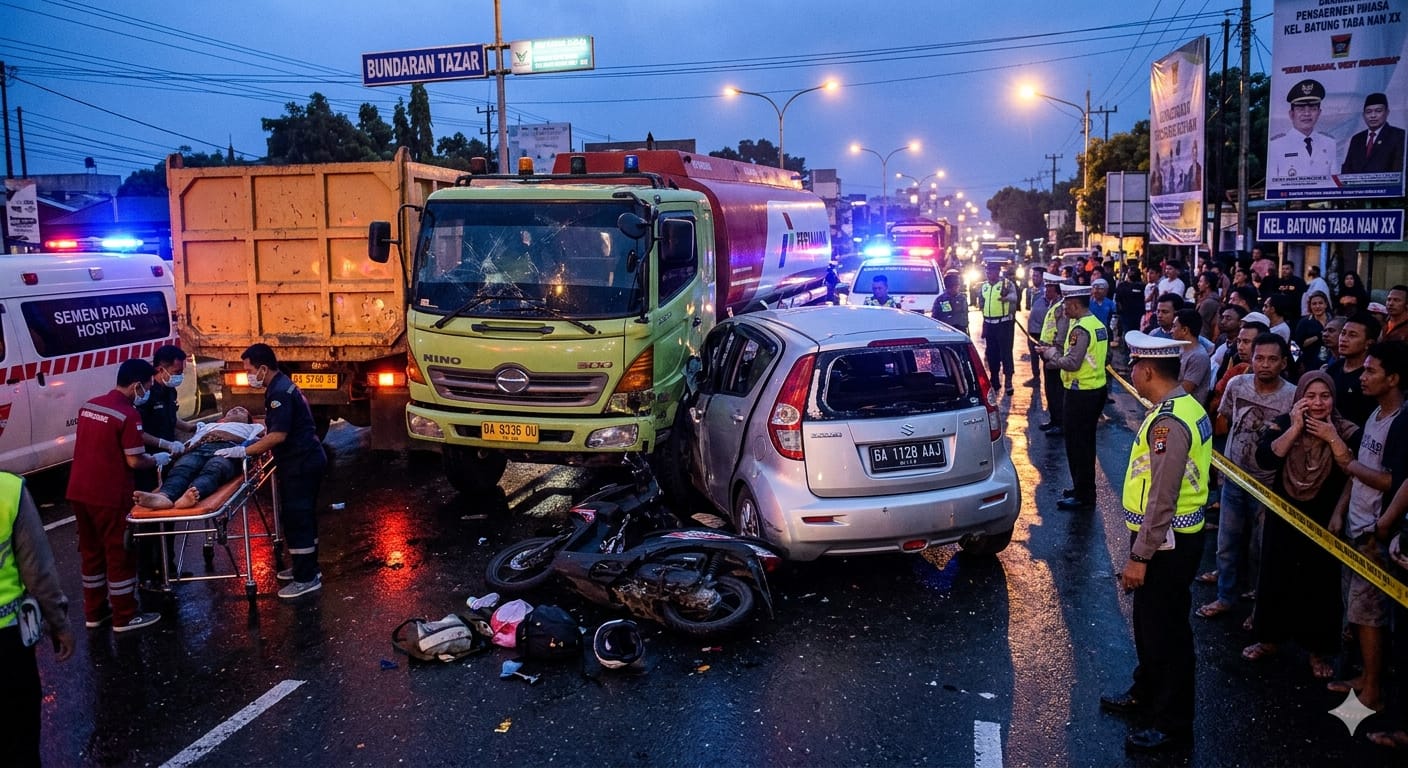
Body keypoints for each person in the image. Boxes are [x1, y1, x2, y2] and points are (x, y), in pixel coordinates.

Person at [1100, 331, 1211, 753]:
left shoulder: (1169, 423)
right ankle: (1146, 691)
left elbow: (1163, 497)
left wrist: (1139, 557)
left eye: (1133, 366)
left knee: (1167, 634)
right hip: (1167, 537)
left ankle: (1172, 725)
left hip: (1167, 542)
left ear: (1147, 370)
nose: (1130, 372)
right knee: (1149, 625)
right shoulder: (1183, 406)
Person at [1244, 371, 1359, 679]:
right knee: (1275, 575)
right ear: (1299, 398)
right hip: (1283, 513)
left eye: (1325, 396)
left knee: (1320, 584)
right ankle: (1269, 639)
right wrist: (1295, 428)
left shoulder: (1346, 430)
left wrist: (1331, 437)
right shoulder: (1283, 423)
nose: (1318, 403)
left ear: (1334, 399)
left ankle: (1317, 651)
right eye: (1310, 396)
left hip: (1324, 518)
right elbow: (1266, 458)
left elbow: (1353, 473)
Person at [1324, 341, 1408, 712]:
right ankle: (1365, 676)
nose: (1363, 376)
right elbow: (1360, 469)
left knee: (1370, 612)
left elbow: (1392, 481)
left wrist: (1347, 462)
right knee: (1357, 610)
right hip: (1355, 524)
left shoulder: (1400, 424)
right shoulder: (1376, 413)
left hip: (1374, 532)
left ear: (1393, 379)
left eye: (1372, 371)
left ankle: (1372, 689)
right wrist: (1340, 509)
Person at [66, 358, 167, 632]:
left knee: (91, 553)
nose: (147, 393)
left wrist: (158, 444)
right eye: (147, 387)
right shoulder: (128, 414)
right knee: (119, 553)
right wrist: (156, 459)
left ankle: (95, 612)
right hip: (109, 494)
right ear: (137, 386)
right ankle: (125, 616)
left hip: (79, 491)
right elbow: (134, 460)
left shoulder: (90, 406)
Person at [1198, 334, 1294, 621]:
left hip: (1269, 486)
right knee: (1227, 543)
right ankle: (1225, 597)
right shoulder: (1237, 384)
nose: (1264, 364)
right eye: (1259, 358)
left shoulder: (1293, 395)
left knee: (1261, 549)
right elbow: (1227, 417)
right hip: (1234, 478)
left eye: (1272, 359)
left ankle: (1259, 609)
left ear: (1283, 363)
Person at [234, 344, 328, 600]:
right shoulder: (281, 385)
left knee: (298, 518)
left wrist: (245, 451)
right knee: (303, 517)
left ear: (263, 368)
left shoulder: (279, 393)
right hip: (304, 460)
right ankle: (307, 568)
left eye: (249, 370)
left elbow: (278, 435)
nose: (248, 375)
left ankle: (305, 579)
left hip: (300, 463)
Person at [2, 474, 75, 767]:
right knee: (19, 742)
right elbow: (38, 572)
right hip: (7, 647)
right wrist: (59, 623)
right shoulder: (8, 490)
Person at [1037, 282, 1108, 509]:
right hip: (1094, 390)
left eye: (1066, 305)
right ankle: (1081, 488)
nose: (1064, 309)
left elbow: (1073, 362)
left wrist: (1051, 356)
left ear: (1075, 305)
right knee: (1085, 443)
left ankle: (1083, 495)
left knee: (1078, 445)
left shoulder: (1080, 329)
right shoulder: (1096, 324)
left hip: (1081, 393)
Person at [132, 407, 265, 510]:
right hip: (199, 448)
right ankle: (164, 496)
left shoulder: (253, 427)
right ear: (224, 417)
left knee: (215, 468)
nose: (236, 410)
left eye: (242, 410)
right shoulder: (209, 426)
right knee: (183, 467)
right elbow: (193, 439)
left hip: (228, 450)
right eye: (232, 410)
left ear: (247, 419)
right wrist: (181, 449)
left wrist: (242, 449)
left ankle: (194, 492)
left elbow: (258, 440)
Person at [1269, 78, 1338, 180]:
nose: (1307, 114)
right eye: (1301, 109)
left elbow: (1334, 182)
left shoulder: (1329, 143)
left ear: (1319, 113)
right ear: (1291, 114)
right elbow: (1272, 184)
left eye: (1313, 109)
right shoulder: (1275, 146)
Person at [1325, 312, 1381, 427]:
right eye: (1343, 333)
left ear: (1368, 343)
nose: (1344, 339)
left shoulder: (1371, 377)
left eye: (1352, 335)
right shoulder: (1333, 369)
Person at [978, 260, 1020, 395]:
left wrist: (1006, 298)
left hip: (1004, 324)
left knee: (1006, 353)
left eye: (992, 271)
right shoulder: (984, 286)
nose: (989, 274)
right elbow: (981, 302)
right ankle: (994, 379)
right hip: (989, 324)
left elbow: (1015, 297)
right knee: (992, 353)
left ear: (997, 272)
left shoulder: (1006, 284)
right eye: (987, 271)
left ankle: (1008, 381)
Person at [1341, 92, 1405, 175]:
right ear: (1363, 115)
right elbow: (1347, 170)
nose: (1373, 115)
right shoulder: (1357, 139)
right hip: (1358, 183)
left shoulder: (1399, 136)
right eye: (1368, 112)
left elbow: (1399, 169)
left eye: (1378, 111)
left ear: (1387, 112)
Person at [1038, 275, 1071, 435]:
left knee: (1057, 391)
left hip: (1054, 354)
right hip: (1047, 352)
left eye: (1049, 289)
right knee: (1050, 390)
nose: (1046, 291)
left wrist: (1055, 354)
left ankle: (1060, 423)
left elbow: (1062, 334)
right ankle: (1054, 419)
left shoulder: (1061, 309)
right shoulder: (1054, 305)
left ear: (1057, 291)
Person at [1171, 309, 1212, 405]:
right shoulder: (1182, 348)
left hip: (1188, 407)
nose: (1171, 331)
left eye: (1174, 326)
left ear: (1185, 330)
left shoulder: (1199, 356)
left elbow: (1184, 390)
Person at [1023, 267, 1050, 388]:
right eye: (1033, 275)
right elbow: (1029, 308)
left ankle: (1049, 380)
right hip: (1032, 329)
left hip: (1043, 330)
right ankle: (1036, 377)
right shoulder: (1030, 291)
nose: (1034, 278)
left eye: (1036, 276)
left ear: (1043, 277)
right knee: (1033, 356)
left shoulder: (1046, 292)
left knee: (1046, 356)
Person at [1295, 290, 1334, 371]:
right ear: (1310, 306)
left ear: (1326, 304)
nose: (1317, 306)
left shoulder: (1334, 321)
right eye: (1314, 304)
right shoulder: (1304, 322)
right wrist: (1317, 337)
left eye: (1320, 303)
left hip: (1332, 362)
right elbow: (1298, 345)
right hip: (1310, 364)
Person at [931, 270, 969, 335]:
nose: (957, 288)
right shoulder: (941, 300)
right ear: (949, 287)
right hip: (946, 331)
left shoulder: (962, 298)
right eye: (955, 286)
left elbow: (965, 315)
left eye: (957, 285)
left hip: (962, 330)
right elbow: (935, 318)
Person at [1194, 272, 1221, 343]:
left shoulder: (1208, 302)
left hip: (1203, 337)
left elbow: (1197, 320)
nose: (1198, 284)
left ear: (1207, 284)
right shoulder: (1204, 298)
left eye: (1200, 281)